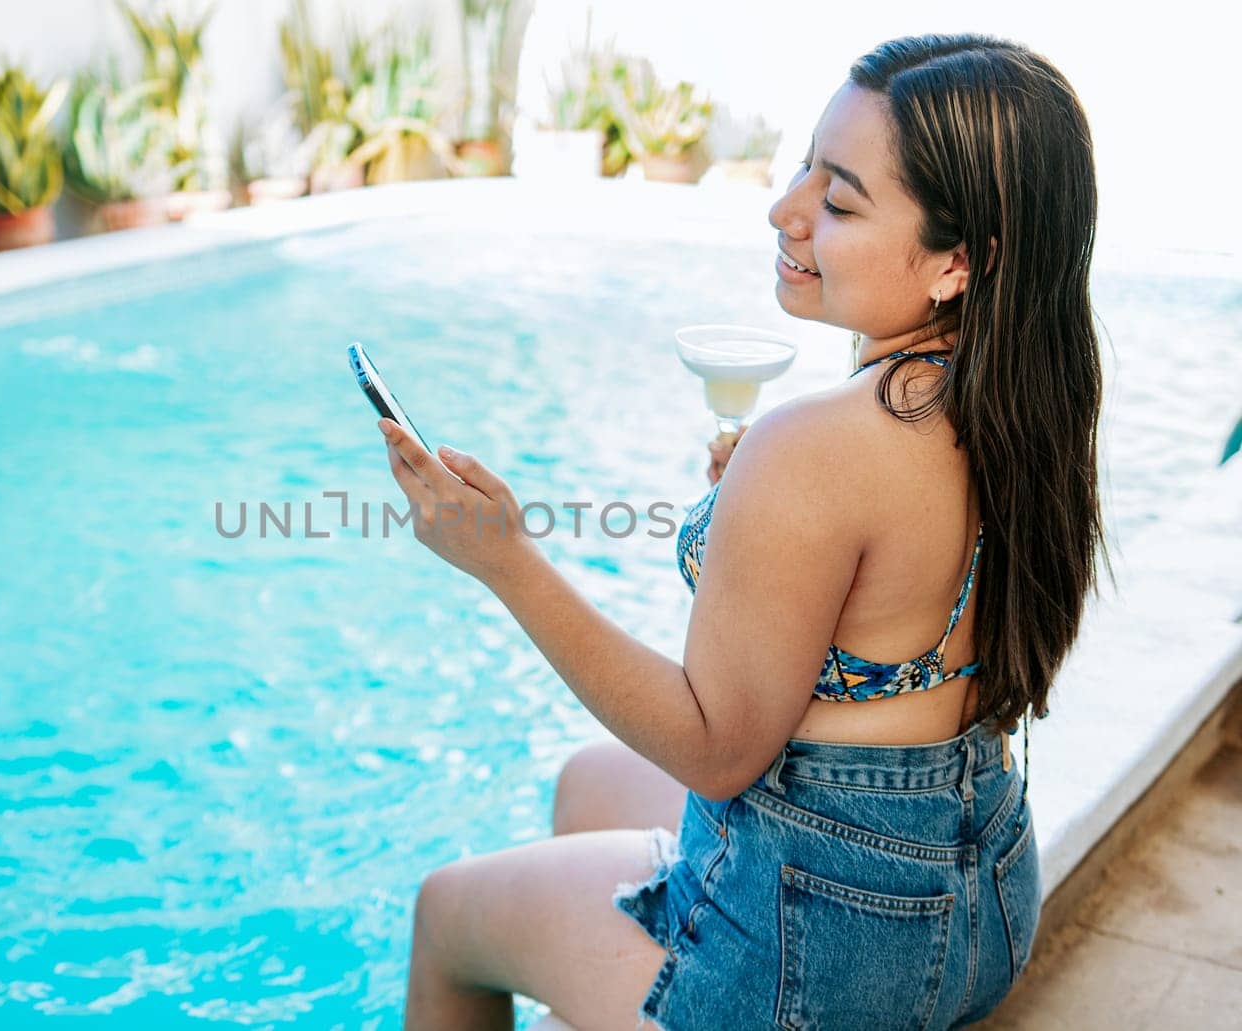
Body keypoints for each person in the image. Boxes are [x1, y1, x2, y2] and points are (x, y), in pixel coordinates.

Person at [376, 32, 1108, 1031]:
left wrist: (502, 559)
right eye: (804, 166)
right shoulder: (1018, 400)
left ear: (956, 262)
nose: (786, 209)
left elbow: (716, 749)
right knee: (588, 781)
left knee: (447, 910)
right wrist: (768, 515)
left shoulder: (816, 444)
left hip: (826, 954)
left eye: (840, 199)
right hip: (977, 892)